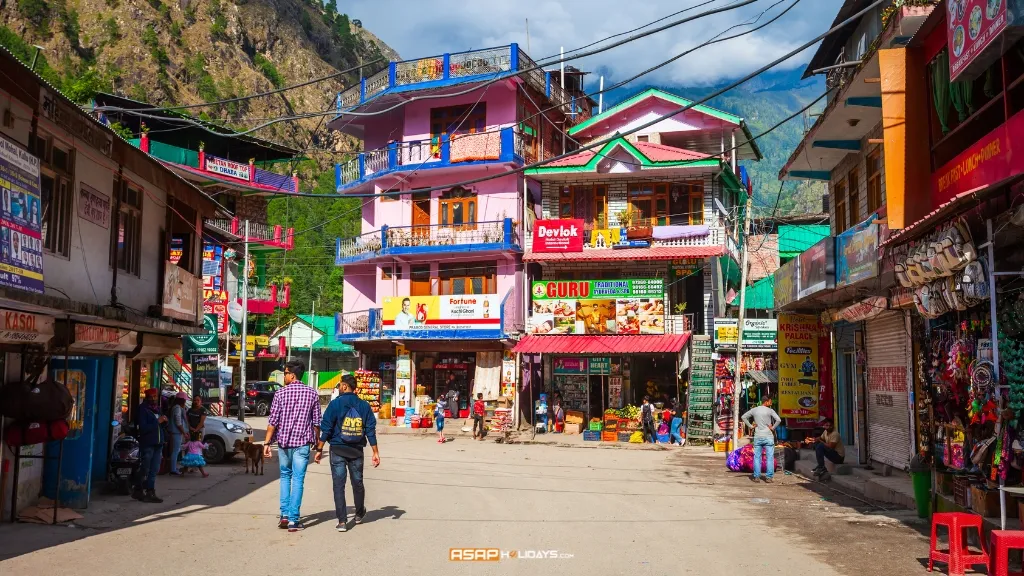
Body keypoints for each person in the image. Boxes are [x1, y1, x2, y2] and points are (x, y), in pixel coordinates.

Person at [314, 374, 380, 533]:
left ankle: (342, 521)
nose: (338, 388)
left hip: (337, 449)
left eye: (339, 385)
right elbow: (370, 430)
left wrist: (319, 449)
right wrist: (375, 452)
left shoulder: (335, 405)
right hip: (356, 450)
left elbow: (327, 428)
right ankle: (358, 514)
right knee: (357, 483)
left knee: (339, 485)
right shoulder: (364, 406)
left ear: (344, 386)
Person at [263, 360, 321, 532]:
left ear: (292, 374)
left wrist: (266, 443)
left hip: (284, 443)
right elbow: (317, 422)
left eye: (285, 373)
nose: (284, 376)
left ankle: (284, 515)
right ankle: (294, 521)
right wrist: (318, 444)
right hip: (302, 444)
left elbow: (273, 421)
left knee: (285, 477)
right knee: (298, 479)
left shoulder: (280, 394)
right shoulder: (312, 394)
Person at [133, 388, 167, 503]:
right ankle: (139, 488)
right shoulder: (143, 409)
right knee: (145, 469)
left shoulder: (158, 409)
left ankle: (149, 491)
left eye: (155, 396)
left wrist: (163, 423)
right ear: (146, 397)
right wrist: (157, 422)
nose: (153, 399)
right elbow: (143, 428)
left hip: (158, 443)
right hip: (148, 443)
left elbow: (160, 427)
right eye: (151, 397)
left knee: (154, 469)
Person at [742, 396, 782, 483]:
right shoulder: (770, 410)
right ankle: (769, 477)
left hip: (758, 436)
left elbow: (743, 417)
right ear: (766, 402)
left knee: (757, 457)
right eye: (770, 401)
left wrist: (751, 426)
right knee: (770, 458)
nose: (770, 403)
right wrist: (773, 427)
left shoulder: (754, 410)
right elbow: (778, 420)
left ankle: (756, 477)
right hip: (768, 436)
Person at [168, 392, 189, 476]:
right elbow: (178, 422)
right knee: (175, 451)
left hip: (176, 432)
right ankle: (173, 469)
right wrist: (184, 432)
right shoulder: (177, 408)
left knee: (176, 450)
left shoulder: (177, 407)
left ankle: (173, 467)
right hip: (176, 432)